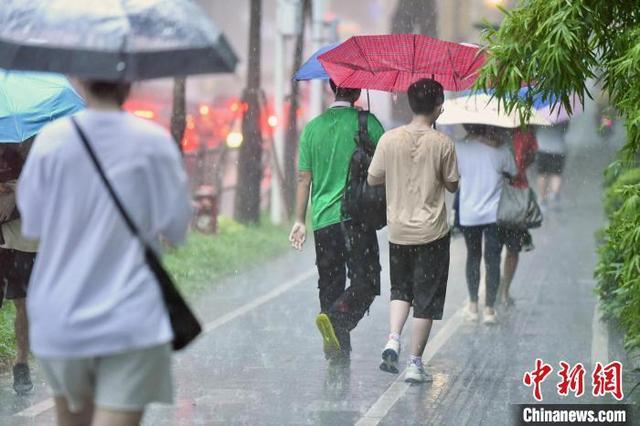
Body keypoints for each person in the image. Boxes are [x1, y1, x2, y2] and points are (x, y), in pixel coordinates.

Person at [17, 80, 192, 426]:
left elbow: (32, 223)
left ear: (80, 80)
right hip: (130, 316)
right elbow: (176, 227)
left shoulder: (51, 140)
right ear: (128, 82)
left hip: (61, 313)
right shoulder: (153, 142)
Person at [368, 79, 459, 383]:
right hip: (431, 232)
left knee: (401, 290)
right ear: (438, 106)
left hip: (399, 231)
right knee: (427, 298)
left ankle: (393, 338)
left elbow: (373, 179)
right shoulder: (443, 143)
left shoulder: (389, 139)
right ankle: (414, 364)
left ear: (410, 103)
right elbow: (453, 185)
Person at [289, 80, 385, 363]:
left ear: (332, 87)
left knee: (330, 283)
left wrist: (299, 220)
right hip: (358, 218)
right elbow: (387, 162)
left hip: (323, 222)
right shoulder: (368, 123)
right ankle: (336, 319)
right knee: (366, 281)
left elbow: (303, 178)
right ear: (356, 91)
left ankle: (338, 352)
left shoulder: (312, 128)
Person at [455, 124, 517, 325]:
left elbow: (451, 175)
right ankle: (489, 309)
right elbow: (514, 172)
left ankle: (473, 306)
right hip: (494, 214)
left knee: (473, 257)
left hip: (469, 213)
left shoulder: (458, 147)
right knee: (493, 260)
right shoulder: (500, 149)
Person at [0, 141, 37, 395]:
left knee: (23, 302)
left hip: (23, 238)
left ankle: (21, 364)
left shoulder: (33, 139)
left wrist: (14, 191)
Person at [497, 127, 537, 307]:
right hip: (500, 193)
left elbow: (531, 156)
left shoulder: (524, 133)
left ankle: (504, 290)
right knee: (497, 248)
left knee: (511, 247)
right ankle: (500, 289)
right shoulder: (495, 130)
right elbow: (531, 157)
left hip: (514, 194)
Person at [535, 123, 569, 210]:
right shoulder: (563, 112)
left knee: (542, 174)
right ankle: (554, 193)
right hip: (558, 148)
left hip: (542, 147)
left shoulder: (538, 113)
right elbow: (565, 130)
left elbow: (533, 128)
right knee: (556, 174)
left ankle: (542, 200)